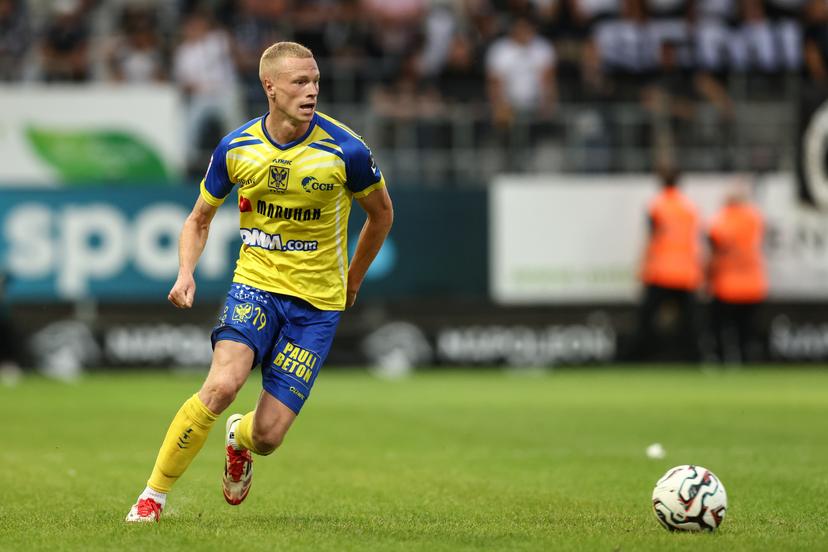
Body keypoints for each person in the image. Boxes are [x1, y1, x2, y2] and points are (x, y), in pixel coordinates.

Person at [125, 41, 394, 522]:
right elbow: (198, 220)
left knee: (268, 436)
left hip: (316, 304)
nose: (311, 91)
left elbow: (381, 217)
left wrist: (352, 281)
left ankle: (239, 439)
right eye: (299, 82)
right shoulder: (236, 147)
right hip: (256, 285)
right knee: (223, 384)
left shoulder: (346, 151)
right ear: (269, 87)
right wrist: (185, 273)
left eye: (315, 81)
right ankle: (152, 496)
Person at [627, 168, 703, 362]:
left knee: (646, 319)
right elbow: (695, 243)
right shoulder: (689, 208)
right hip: (686, 273)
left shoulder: (657, 207)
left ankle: (641, 357)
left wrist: (641, 267)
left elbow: (650, 239)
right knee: (689, 322)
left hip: (661, 271)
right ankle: (693, 358)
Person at [706, 182, 767, 363]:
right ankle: (749, 360)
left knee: (721, 328)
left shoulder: (720, 221)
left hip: (727, 285)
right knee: (747, 330)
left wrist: (708, 277)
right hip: (752, 285)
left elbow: (714, 253)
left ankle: (720, 359)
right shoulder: (753, 219)